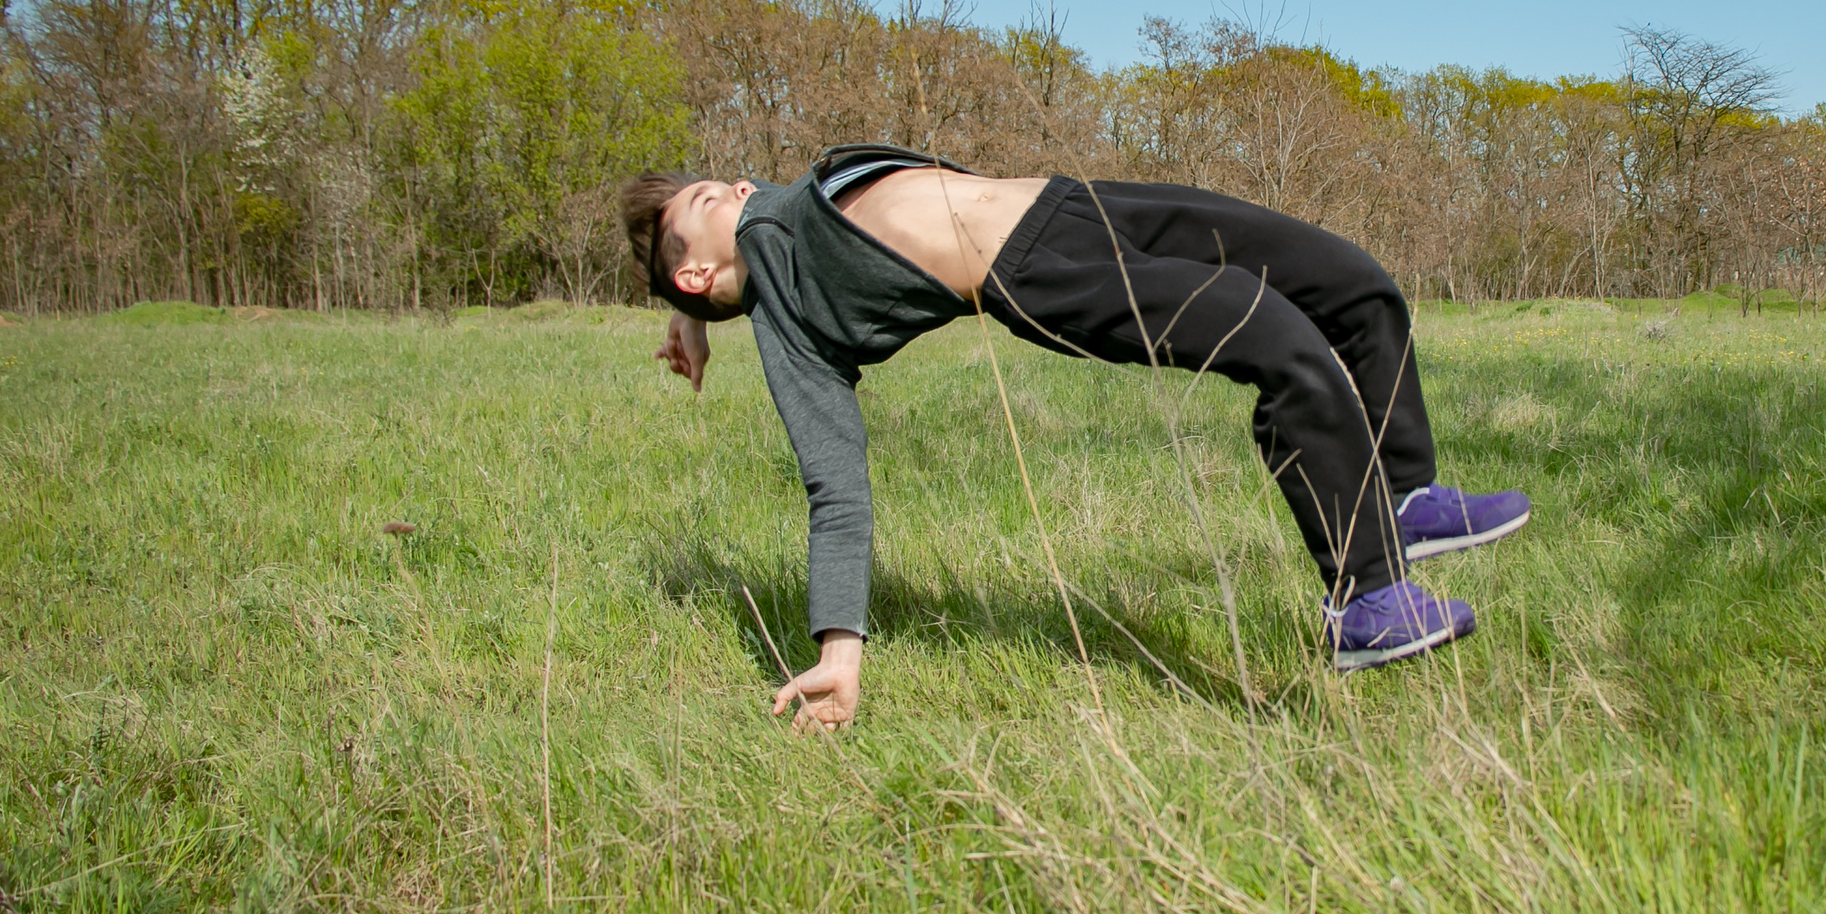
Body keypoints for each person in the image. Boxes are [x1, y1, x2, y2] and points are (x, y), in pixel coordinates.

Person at [621, 143, 1531, 727]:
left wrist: (697, 316)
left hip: (1072, 203)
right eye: (709, 193)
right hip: (1037, 271)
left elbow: (753, 219)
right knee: (1280, 339)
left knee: (1351, 281)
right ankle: (1363, 599)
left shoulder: (770, 219)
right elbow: (834, 483)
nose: (737, 181)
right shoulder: (787, 314)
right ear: (696, 265)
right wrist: (837, 653)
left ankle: (1402, 497)